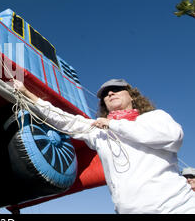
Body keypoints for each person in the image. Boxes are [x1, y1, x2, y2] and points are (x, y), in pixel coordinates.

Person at [11, 78, 195, 213]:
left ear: (131, 95)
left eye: (116, 89)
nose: (110, 93)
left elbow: (172, 138)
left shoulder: (154, 118)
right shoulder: (99, 132)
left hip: (178, 207)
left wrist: (114, 125)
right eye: (106, 94)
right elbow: (66, 121)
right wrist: (29, 95)